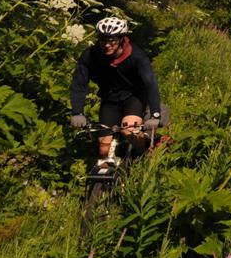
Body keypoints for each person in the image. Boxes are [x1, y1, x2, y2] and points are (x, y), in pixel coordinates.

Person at [69, 17, 162, 162]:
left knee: (129, 132)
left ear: (121, 39)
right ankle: (102, 180)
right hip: (110, 98)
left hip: (134, 96)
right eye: (102, 40)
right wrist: (77, 112)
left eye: (111, 40)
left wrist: (155, 114)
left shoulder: (137, 57)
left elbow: (150, 84)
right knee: (103, 147)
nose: (107, 45)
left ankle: (141, 154)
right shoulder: (90, 55)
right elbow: (79, 84)